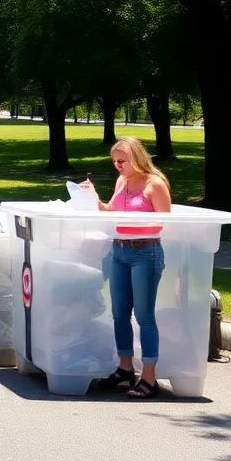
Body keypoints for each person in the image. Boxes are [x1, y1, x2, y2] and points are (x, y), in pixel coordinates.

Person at [82, 137, 172, 399]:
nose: (118, 165)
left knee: (144, 315)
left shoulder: (155, 185)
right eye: (114, 161)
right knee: (119, 313)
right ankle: (124, 367)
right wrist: (93, 198)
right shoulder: (122, 181)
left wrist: (136, 221)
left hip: (146, 251)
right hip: (119, 249)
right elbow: (112, 210)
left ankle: (149, 377)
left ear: (137, 157)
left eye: (122, 161)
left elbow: (166, 223)